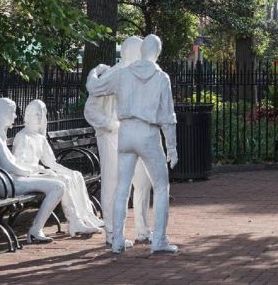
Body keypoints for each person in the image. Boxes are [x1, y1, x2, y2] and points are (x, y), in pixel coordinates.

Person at [109, 34, 179, 254]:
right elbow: (168, 116)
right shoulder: (161, 77)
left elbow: (97, 88)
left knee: (122, 188)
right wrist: (172, 147)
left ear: (141, 51)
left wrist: (96, 73)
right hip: (147, 133)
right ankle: (159, 240)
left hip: (126, 132)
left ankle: (117, 240)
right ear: (157, 52)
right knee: (161, 186)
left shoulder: (123, 74)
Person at [86, 36, 156, 247]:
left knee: (143, 181)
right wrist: (111, 125)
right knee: (113, 185)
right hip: (111, 137)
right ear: (129, 53)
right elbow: (90, 110)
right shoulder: (112, 75)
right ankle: (113, 233)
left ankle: (142, 230)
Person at [13, 99, 103, 237]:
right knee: (64, 180)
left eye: (41, 115)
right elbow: (18, 164)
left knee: (75, 175)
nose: (38, 118)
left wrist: (69, 171)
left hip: (36, 173)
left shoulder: (39, 138)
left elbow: (51, 162)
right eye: (35, 114)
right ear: (27, 115)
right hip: (27, 176)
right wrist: (41, 169)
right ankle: (75, 222)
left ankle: (87, 217)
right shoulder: (22, 136)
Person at [0, 98, 64, 243]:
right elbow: (10, 166)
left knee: (58, 182)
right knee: (58, 186)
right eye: (12, 112)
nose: (15, 116)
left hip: (14, 179)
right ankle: (35, 230)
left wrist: (39, 170)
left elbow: (13, 163)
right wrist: (33, 172)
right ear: (2, 113)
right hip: (8, 184)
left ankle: (36, 230)